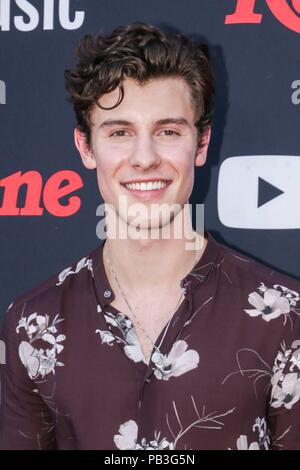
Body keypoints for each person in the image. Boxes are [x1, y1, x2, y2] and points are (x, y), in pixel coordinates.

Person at [1, 21, 300, 451]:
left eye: (168, 131)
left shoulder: (285, 317)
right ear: (86, 148)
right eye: (120, 132)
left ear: (201, 144)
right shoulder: (32, 324)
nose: (144, 159)